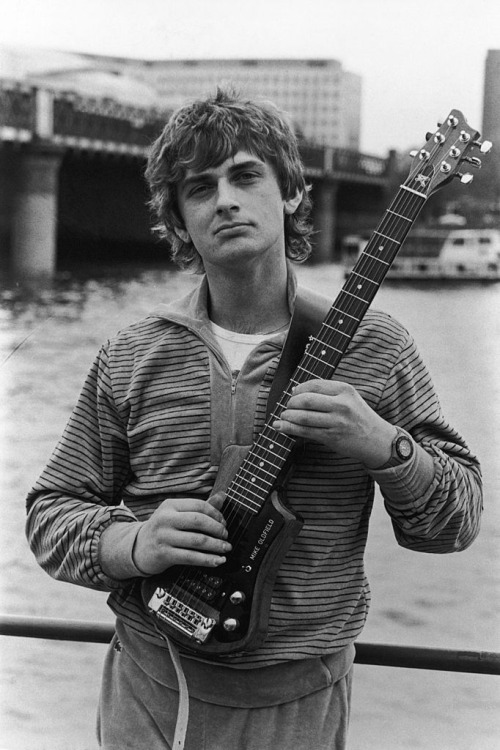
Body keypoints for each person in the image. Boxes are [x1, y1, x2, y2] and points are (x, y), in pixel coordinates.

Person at [26, 88, 483, 750]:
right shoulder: (133, 354)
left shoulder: (377, 347)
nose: (227, 200)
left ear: (293, 192)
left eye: (245, 176)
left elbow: (457, 522)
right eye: (201, 188)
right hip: (151, 685)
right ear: (179, 222)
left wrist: (386, 447)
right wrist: (135, 543)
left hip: (298, 702)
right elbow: (51, 515)